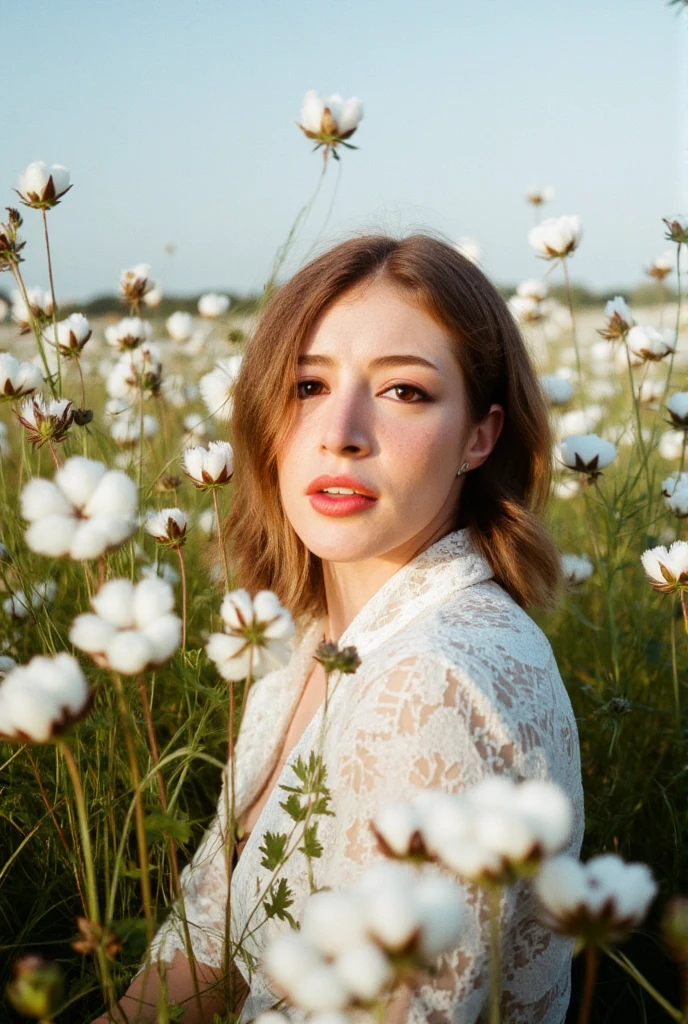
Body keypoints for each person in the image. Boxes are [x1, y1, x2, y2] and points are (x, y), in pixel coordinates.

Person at [97, 233, 583, 1024]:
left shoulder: (431, 683)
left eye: (404, 392)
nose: (341, 431)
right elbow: (204, 957)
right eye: (309, 384)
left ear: (480, 436)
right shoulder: (317, 643)